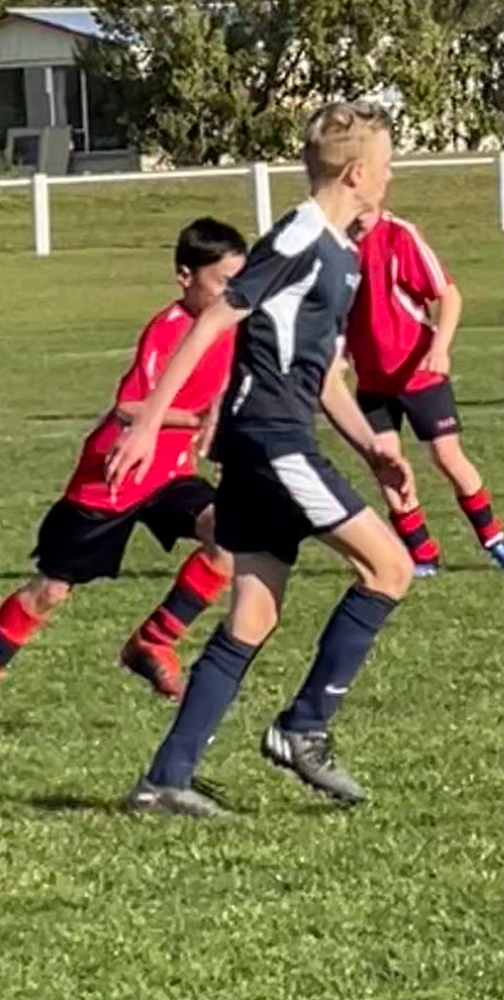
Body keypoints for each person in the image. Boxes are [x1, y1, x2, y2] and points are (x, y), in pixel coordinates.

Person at [106, 101, 414, 817]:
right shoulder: (300, 236)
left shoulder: (339, 251)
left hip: (267, 438)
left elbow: (322, 376)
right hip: (273, 441)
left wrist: (371, 447)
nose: (390, 176)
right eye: (387, 165)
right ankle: (303, 728)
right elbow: (217, 317)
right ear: (357, 172)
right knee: (390, 568)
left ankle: (165, 779)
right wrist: (148, 421)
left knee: (253, 610)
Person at [0, 218, 247, 700]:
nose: (232, 295)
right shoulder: (168, 329)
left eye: (239, 283)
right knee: (51, 590)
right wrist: (198, 419)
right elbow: (129, 407)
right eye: (222, 282)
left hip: (170, 475)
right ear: (185, 277)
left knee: (230, 536)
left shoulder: (233, 324)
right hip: (115, 475)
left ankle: (154, 641)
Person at [346, 209, 504, 576]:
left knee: (447, 456)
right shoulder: (335, 243)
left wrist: (439, 348)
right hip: (372, 380)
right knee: (385, 463)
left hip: (419, 374)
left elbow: (449, 294)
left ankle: (494, 537)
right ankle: (422, 552)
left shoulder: (399, 236)